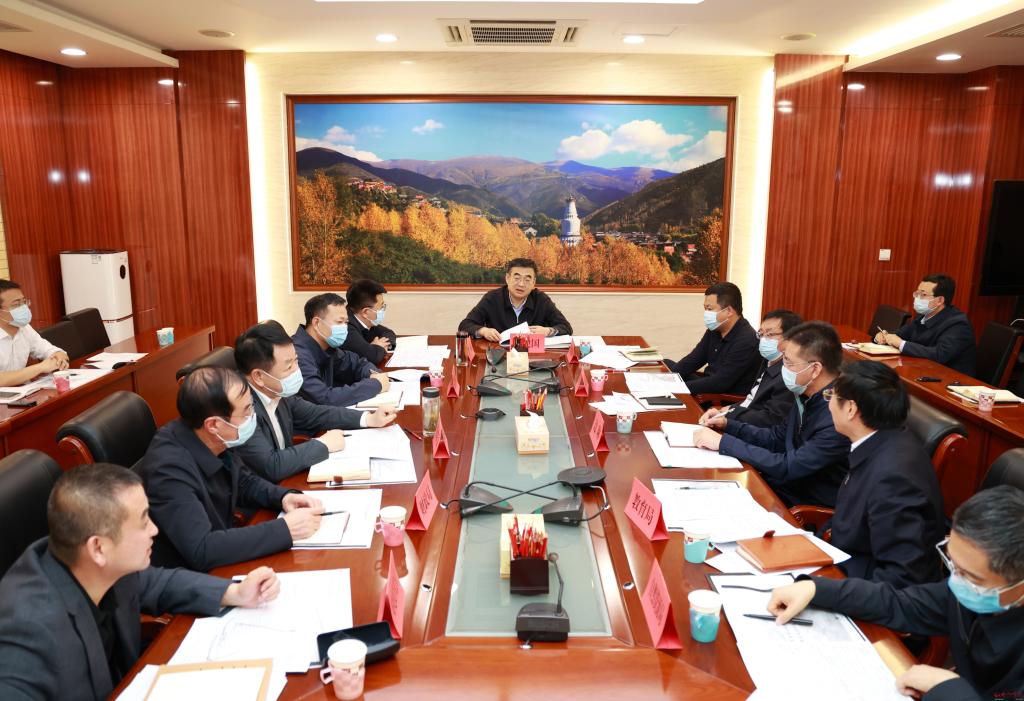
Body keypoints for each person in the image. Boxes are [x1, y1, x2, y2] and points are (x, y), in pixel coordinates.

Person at [0, 464, 279, 700]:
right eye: (144, 521)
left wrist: (236, 592)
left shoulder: (98, 564)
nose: (154, 529)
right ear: (98, 548)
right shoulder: (27, 635)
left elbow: (157, 583)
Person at [767, 486, 1024, 701]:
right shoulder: (970, 589)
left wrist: (948, 688)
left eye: (971, 577)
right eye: (952, 564)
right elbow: (900, 603)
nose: (955, 580)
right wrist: (817, 589)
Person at [140, 366, 325, 571]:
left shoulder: (212, 436)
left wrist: (283, 497)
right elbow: (202, 549)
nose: (253, 416)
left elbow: (243, 481)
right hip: (190, 577)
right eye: (246, 411)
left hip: (224, 553)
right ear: (213, 425)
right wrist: (285, 529)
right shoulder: (168, 471)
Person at [694, 321, 851, 507]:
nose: (783, 367)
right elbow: (776, 438)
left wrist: (723, 443)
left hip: (804, 503)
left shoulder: (838, 415)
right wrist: (728, 424)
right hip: (782, 485)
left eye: (788, 362)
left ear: (815, 369)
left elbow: (789, 466)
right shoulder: (806, 394)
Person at [824, 360, 945, 587]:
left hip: (862, 586)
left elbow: (900, 578)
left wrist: (825, 589)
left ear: (851, 409)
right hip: (844, 563)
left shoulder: (893, 479)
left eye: (831, 396)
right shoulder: (882, 441)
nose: (829, 404)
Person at [233, 321, 396, 482]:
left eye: (296, 361)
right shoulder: (240, 409)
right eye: (288, 367)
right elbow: (272, 465)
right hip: (266, 491)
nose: (297, 370)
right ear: (258, 376)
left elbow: (316, 413)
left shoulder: (275, 390)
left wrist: (368, 418)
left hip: (287, 479)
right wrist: (323, 444)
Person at [698, 309, 802, 429]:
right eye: (761, 334)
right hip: (740, 420)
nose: (763, 339)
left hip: (750, 429)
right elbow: (751, 399)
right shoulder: (768, 361)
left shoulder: (789, 375)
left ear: (791, 339)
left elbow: (771, 419)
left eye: (769, 334)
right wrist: (724, 411)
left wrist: (730, 416)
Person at [293, 293, 391, 407]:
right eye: (339, 322)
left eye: (346, 322)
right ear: (317, 323)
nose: (344, 328)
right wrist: (375, 384)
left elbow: (357, 363)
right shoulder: (296, 354)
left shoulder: (327, 345)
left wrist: (373, 374)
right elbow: (324, 399)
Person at [666, 282, 760, 396]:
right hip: (709, 384)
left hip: (720, 397)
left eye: (709, 309)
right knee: (667, 364)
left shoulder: (746, 340)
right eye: (705, 309)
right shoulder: (715, 329)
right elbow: (693, 360)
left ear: (729, 311)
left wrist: (674, 387)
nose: (706, 314)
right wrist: (666, 380)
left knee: (673, 383)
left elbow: (720, 383)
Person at [873, 274, 977, 377]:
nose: (917, 298)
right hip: (923, 370)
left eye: (923, 295)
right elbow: (901, 333)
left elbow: (939, 355)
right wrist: (885, 336)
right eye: (917, 293)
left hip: (950, 379)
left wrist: (900, 344)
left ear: (940, 300)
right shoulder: (924, 315)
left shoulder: (958, 324)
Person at [458, 258, 572, 342]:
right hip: (499, 356)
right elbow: (465, 325)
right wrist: (483, 331)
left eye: (527, 280)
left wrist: (548, 331)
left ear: (533, 283)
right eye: (517, 278)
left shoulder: (541, 300)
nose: (521, 284)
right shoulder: (492, 298)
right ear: (507, 278)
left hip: (533, 359)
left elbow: (566, 327)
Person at [0, 279, 69, 386]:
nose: (23, 308)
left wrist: (59, 357)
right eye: (16, 304)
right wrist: (40, 367)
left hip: (22, 391)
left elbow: (51, 351)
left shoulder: (24, 328)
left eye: (24, 302)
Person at [344, 279, 398, 365]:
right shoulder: (345, 327)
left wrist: (377, 347)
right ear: (366, 312)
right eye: (381, 307)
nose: (383, 309)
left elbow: (388, 332)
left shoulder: (367, 321)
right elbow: (373, 357)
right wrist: (376, 348)